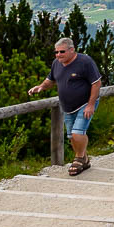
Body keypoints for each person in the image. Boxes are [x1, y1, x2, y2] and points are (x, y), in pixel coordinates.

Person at [29, 38, 101, 176]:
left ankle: (79, 159)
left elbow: (96, 83)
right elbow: (51, 80)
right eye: (56, 52)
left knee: (78, 133)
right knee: (71, 137)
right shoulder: (57, 63)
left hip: (85, 103)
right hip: (67, 106)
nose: (58, 55)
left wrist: (91, 105)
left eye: (62, 51)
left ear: (72, 50)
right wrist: (41, 87)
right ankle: (84, 159)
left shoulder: (85, 62)